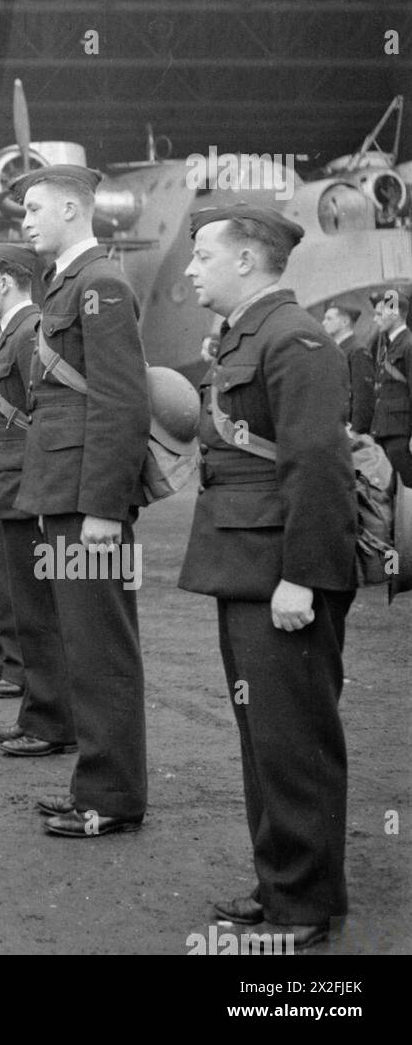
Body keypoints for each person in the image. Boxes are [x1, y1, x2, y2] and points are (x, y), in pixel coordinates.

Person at [181, 205, 356, 949]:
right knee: (265, 737)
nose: (189, 268)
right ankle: (280, 880)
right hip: (245, 562)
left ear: (245, 263)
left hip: (281, 573)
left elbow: (317, 467)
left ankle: (304, 906)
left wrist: (303, 579)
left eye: (201, 256)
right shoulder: (248, 336)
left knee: (294, 741)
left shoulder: (295, 338)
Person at [13, 164, 150, 838]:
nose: (25, 220)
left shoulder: (98, 284)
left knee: (100, 646)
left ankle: (112, 796)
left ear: (71, 210)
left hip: (86, 503)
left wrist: (102, 506)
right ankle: (95, 784)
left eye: (35, 208)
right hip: (65, 493)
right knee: (83, 642)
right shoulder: (71, 281)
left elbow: (122, 402)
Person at [0, 245, 78, 755]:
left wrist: (39, 488)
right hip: (6, 480)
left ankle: (53, 721)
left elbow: (43, 415)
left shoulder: (28, 331)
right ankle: (38, 712)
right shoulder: (11, 332)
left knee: (37, 609)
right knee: (24, 605)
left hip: (23, 483)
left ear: (8, 283)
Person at [368, 286, 412, 487]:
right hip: (386, 428)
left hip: (400, 432)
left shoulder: (408, 345)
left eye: (379, 314)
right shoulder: (387, 346)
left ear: (394, 314)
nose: (375, 319)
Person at [321, 300, 375, 434]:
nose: (323, 323)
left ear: (344, 322)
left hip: (348, 428)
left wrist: (356, 430)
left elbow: (363, 395)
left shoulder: (357, 350)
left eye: (329, 318)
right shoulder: (336, 349)